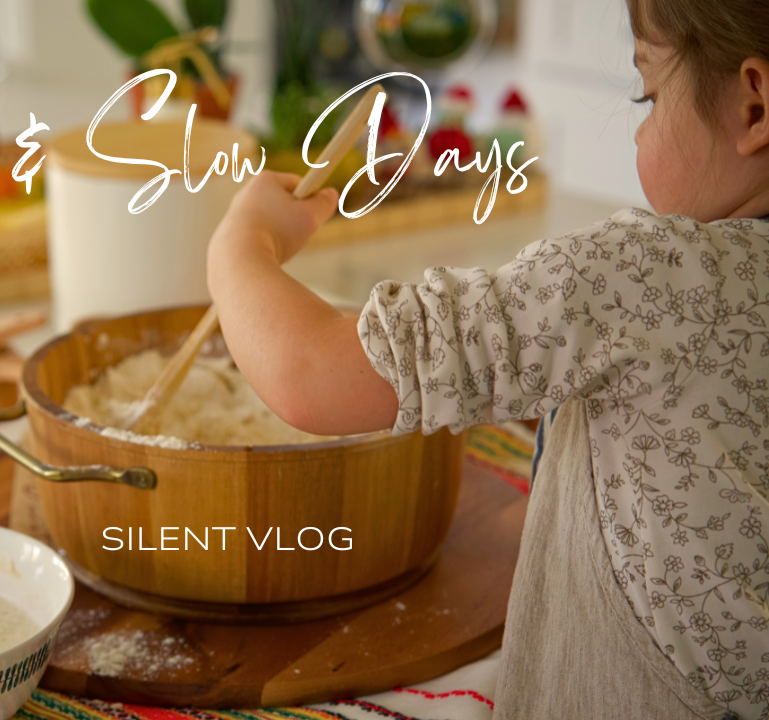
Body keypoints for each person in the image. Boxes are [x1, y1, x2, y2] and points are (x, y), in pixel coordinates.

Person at [206, 0, 769, 717]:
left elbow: (310, 373)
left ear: (754, 106)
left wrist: (238, 247)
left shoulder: (641, 275)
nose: (639, 126)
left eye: (650, 94)